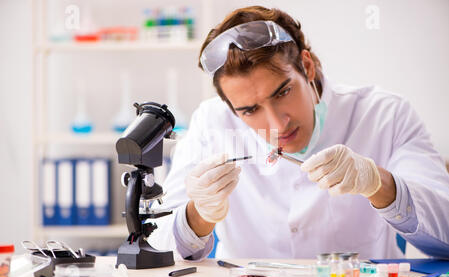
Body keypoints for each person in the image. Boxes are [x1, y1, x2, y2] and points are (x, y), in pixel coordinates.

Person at [150, 6, 449, 260]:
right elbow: (157, 246)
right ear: (230, 107)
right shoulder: (209, 123)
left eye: (283, 92)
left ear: (306, 66)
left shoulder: (385, 115)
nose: (278, 125)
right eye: (249, 110)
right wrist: (200, 214)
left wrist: (380, 184)